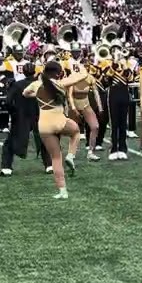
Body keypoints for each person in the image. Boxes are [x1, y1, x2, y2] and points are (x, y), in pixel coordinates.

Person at [23, 59, 88, 199]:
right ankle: (71, 155)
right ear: (58, 74)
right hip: (60, 121)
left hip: (44, 125)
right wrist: (78, 65)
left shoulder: (36, 84)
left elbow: (25, 94)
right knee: (76, 132)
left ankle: (62, 191)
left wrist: (37, 96)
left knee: (56, 158)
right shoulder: (60, 83)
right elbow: (83, 75)